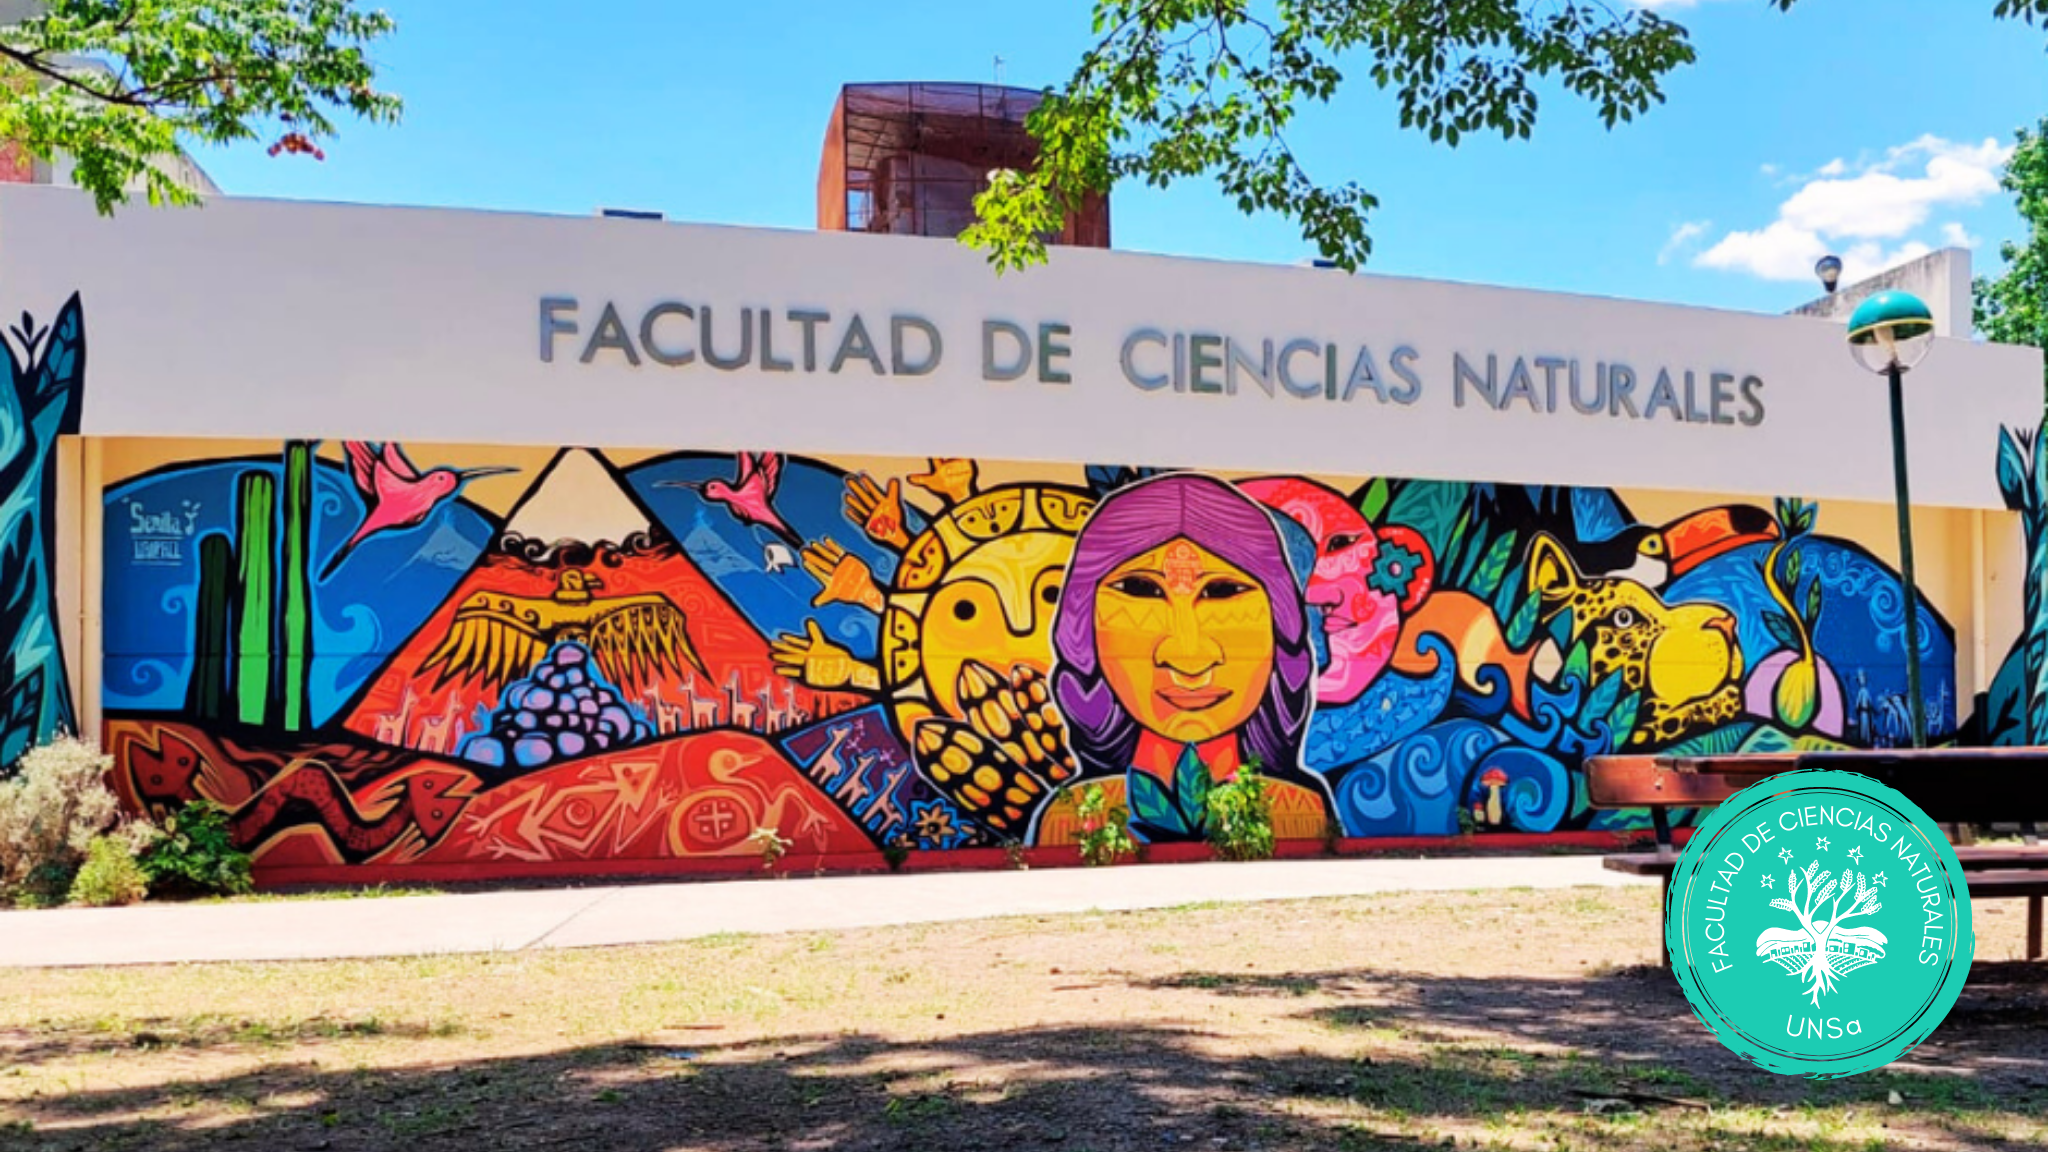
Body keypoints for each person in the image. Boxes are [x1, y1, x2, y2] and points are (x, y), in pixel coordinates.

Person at [1050, 473, 1328, 842]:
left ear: (1282, 625)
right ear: (1082, 628)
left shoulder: (1299, 809)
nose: (1188, 657)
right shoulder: (1075, 813)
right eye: (1140, 589)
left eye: (1223, 591)